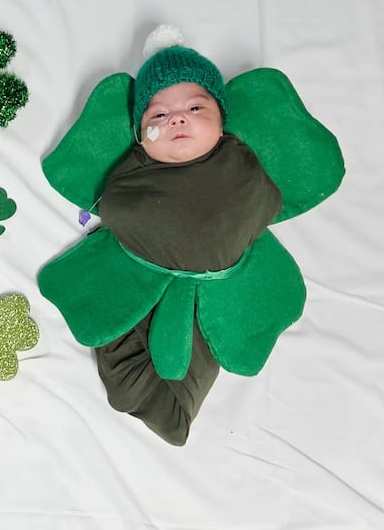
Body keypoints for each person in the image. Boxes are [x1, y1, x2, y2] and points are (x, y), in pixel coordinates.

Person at [92, 26, 282, 445]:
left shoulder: (239, 166)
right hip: (145, 282)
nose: (177, 119)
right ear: (141, 136)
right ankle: (152, 394)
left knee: (197, 347)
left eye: (196, 107)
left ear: (222, 122)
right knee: (121, 362)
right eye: (158, 116)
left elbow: (263, 203)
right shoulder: (132, 175)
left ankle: (173, 406)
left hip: (209, 292)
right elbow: (118, 209)